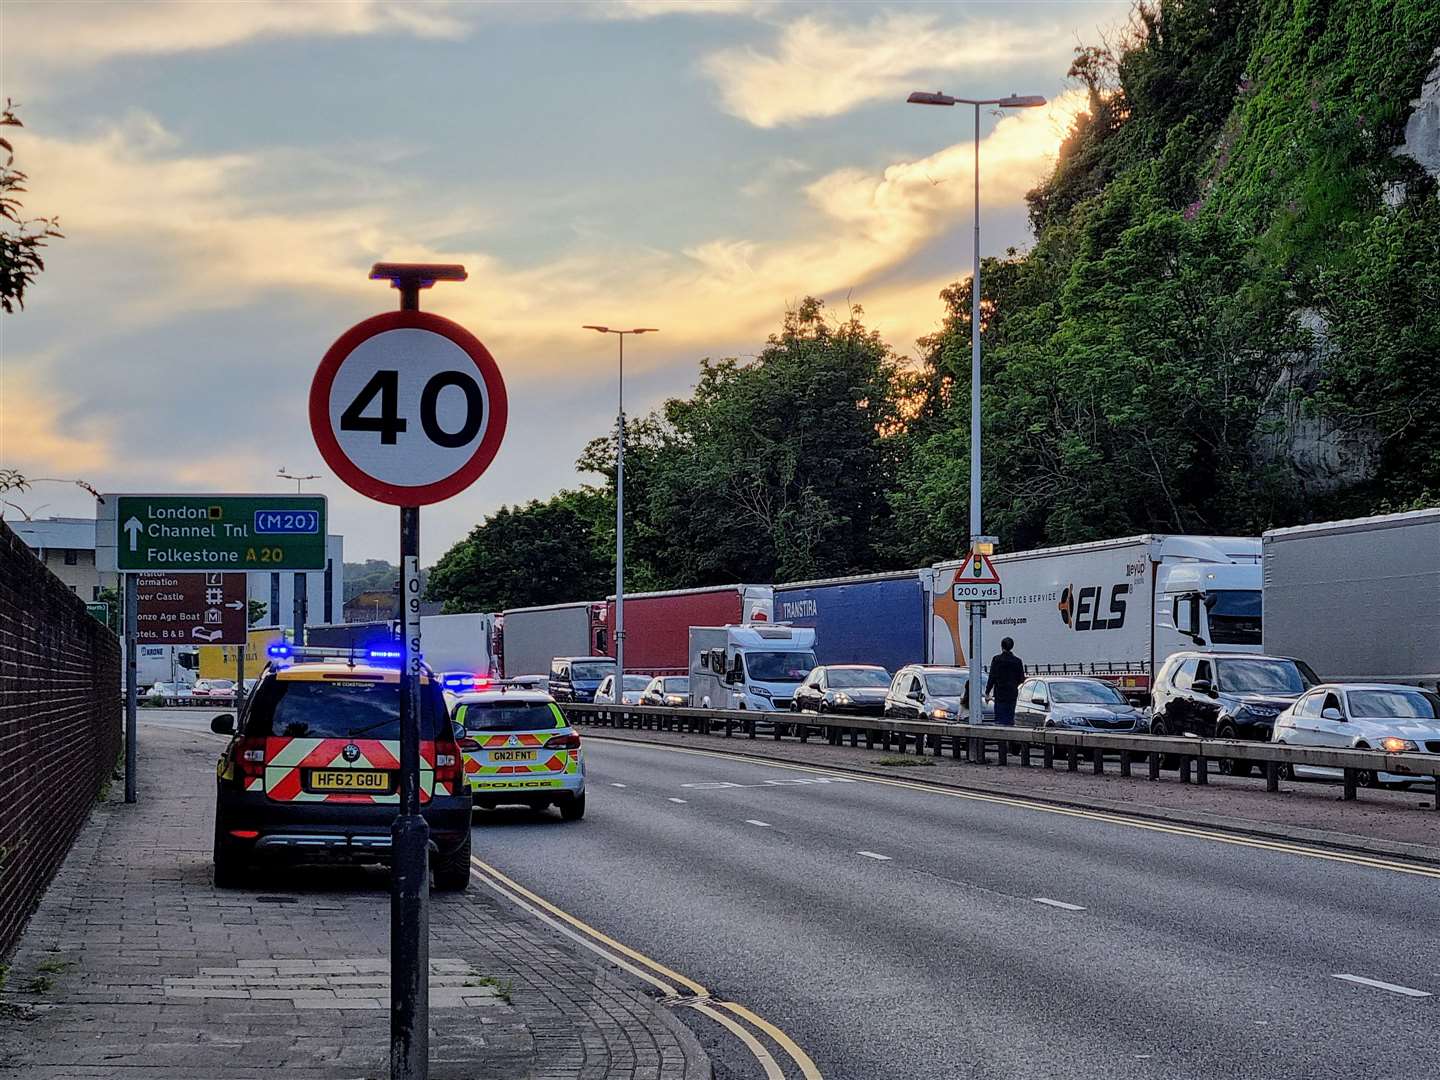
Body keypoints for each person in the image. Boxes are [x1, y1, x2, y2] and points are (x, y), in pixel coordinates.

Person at [984, 637, 1025, 726]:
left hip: (1000, 694)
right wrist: (1014, 684)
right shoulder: (1017, 661)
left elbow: (992, 677)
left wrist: (987, 692)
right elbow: (1021, 678)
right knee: (1009, 718)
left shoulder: (996, 660)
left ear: (1001, 646)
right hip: (1012, 694)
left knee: (999, 719)